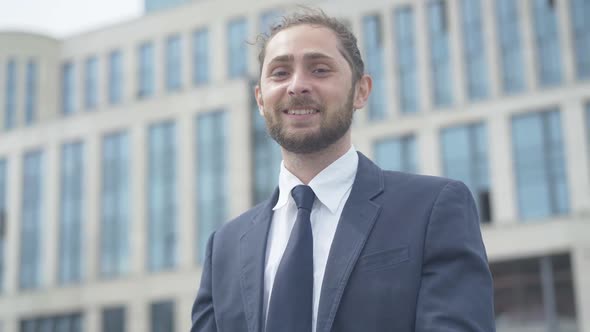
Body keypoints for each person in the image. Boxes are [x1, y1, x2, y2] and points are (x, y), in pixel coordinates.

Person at [191, 9, 495, 332]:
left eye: (320, 70)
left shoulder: (434, 209)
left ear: (361, 91)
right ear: (260, 100)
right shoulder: (223, 248)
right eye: (279, 73)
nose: (297, 86)